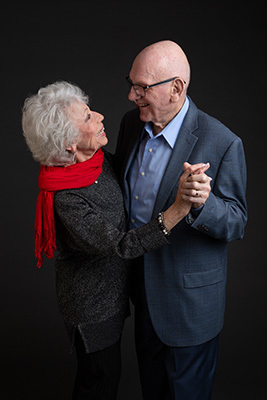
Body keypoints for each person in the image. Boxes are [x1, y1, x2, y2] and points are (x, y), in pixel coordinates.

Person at [21, 81, 209, 400]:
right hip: (92, 310)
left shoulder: (96, 162)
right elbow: (122, 245)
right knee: (100, 384)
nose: (100, 116)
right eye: (87, 117)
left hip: (114, 297)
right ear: (68, 144)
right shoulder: (66, 198)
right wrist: (180, 206)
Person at [114, 40, 247, 400]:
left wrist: (203, 203)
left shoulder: (222, 142)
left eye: (142, 87)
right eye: (132, 83)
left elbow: (236, 221)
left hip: (190, 306)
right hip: (142, 294)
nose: (131, 95)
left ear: (176, 88)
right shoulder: (131, 126)